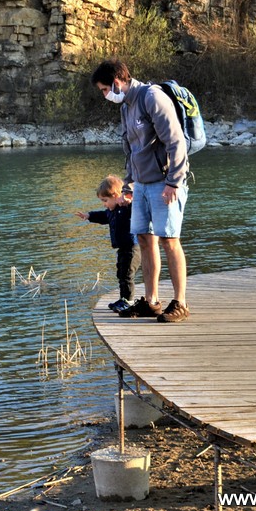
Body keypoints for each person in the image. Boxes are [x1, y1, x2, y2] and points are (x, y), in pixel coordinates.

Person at [90, 59, 191, 323]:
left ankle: (180, 303)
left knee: (169, 240)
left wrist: (173, 182)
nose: (104, 95)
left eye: (104, 89)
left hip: (164, 183)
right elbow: (131, 151)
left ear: (116, 82)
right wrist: (128, 186)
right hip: (140, 187)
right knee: (145, 240)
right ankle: (151, 301)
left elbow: (176, 141)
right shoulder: (125, 106)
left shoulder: (152, 98)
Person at [74, 175, 141, 314]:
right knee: (121, 273)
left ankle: (128, 301)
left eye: (105, 200)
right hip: (122, 248)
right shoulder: (111, 212)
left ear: (117, 195)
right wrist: (89, 216)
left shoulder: (127, 208)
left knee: (128, 274)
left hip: (132, 247)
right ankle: (123, 298)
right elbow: (103, 216)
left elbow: (138, 208)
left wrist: (129, 199)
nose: (104, 204)